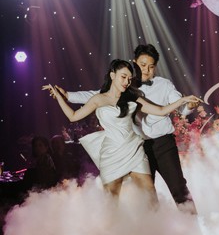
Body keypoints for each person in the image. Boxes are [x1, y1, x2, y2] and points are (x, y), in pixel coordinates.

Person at [58, 44, 199, 213]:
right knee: (146, 196)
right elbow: (96, 96)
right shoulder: (125, 87)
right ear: (134, 63)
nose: (146, 70)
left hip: (163, 144)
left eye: (151, 66)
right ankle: (154, 228)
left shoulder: (164, 84)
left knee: (178, 187)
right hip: (138, 147)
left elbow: (176, 106)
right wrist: (67, 95)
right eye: (142, 65)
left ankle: (192, 224)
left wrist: (188, 105)